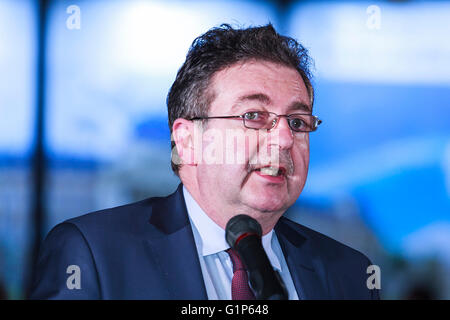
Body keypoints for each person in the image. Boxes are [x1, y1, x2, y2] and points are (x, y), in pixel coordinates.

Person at [29, 24, 380, 300]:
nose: (285, 139)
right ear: (188, 141)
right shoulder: (92, 254)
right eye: (254, 115)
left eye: (298, 122)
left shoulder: (350, 273)